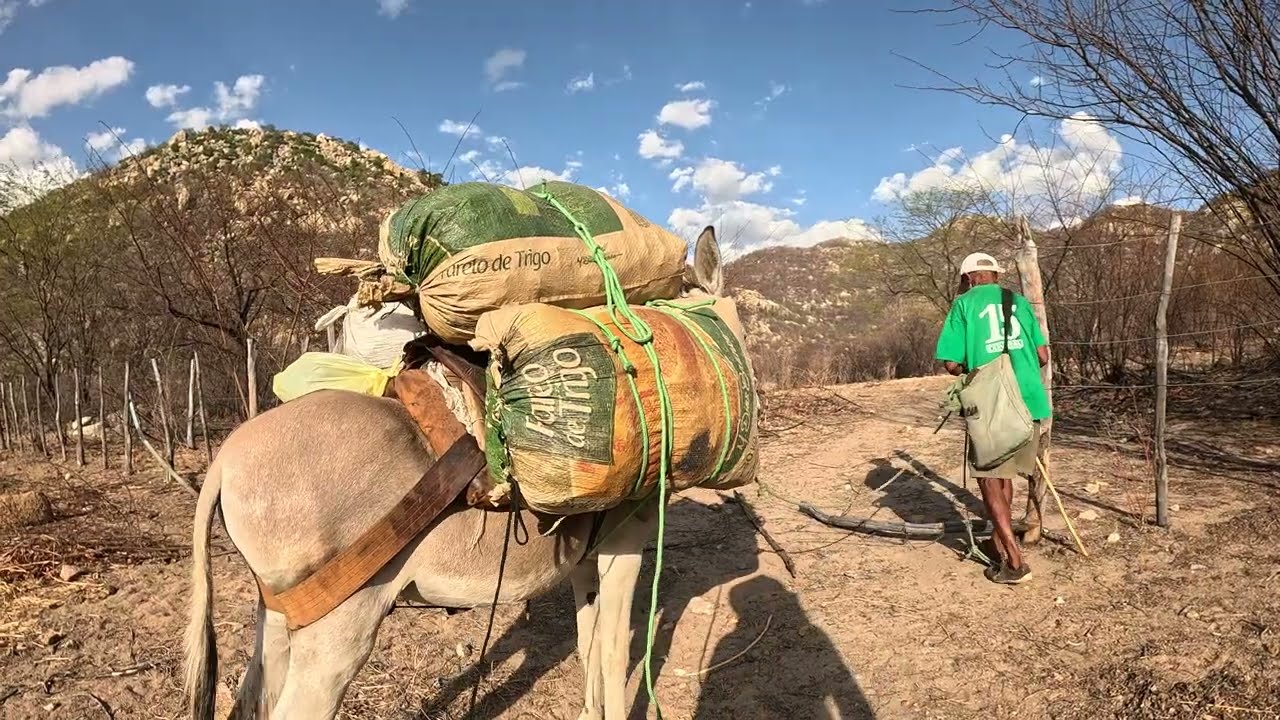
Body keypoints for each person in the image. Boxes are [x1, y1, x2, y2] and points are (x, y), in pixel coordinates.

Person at [934, 252, 1051, 585]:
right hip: (1029, 402)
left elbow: (951, 363)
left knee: (988, 478)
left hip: (991, 405)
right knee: (1006, 474)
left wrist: (976, 363)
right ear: (994, 275)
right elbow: (1042, 355)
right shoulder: (1019, 301)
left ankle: (1014, 562)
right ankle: (998, 542)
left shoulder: (964, 304)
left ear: (969, 278)